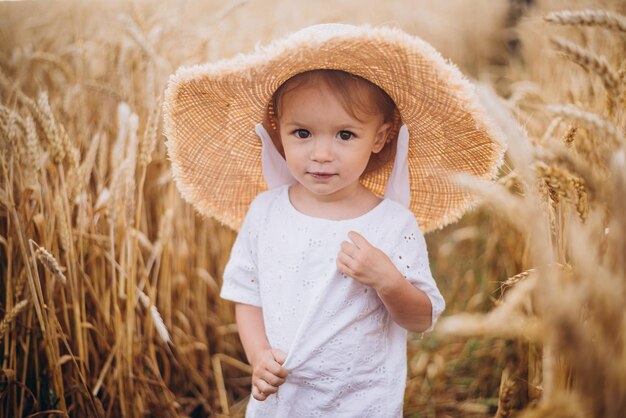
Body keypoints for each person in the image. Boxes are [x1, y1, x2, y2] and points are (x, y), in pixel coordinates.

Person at [164, 24, 505, 417]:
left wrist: (388, 280)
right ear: (278, 133)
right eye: (303, 133)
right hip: (283, 399)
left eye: (345, 135)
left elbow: (421, 318)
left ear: (379, 138)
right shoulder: (266, 212)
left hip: (363, 401)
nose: (322, 154)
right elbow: (247, 294)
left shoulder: (392, 224)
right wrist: (259, 356)